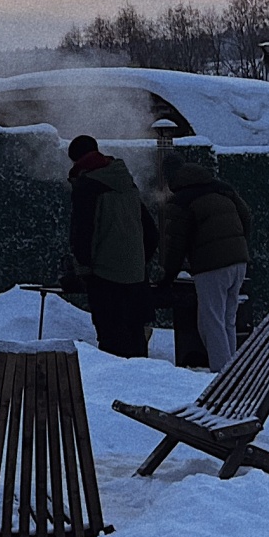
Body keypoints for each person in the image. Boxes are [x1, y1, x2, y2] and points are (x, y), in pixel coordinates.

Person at [154, 154, 252, 375]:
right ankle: (232, 369)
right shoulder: (222, 188)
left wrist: (168, 276)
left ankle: (221, 373)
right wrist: (238, 245)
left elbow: (176, 244)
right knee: (228, 318)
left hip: (211, 266)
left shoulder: (182, 200)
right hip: (238, 260)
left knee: (211, 321)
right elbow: (246, 216)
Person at [67, 134, 157, 358]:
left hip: (105, 276)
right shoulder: (127, 182)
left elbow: (83, 232)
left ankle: (117, 387)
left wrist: (84, 267)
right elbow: (151, 231)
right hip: (136, 277)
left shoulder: (86, 186)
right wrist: (138, 261)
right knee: (136, 339)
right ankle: (142, 388)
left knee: (111, 342)